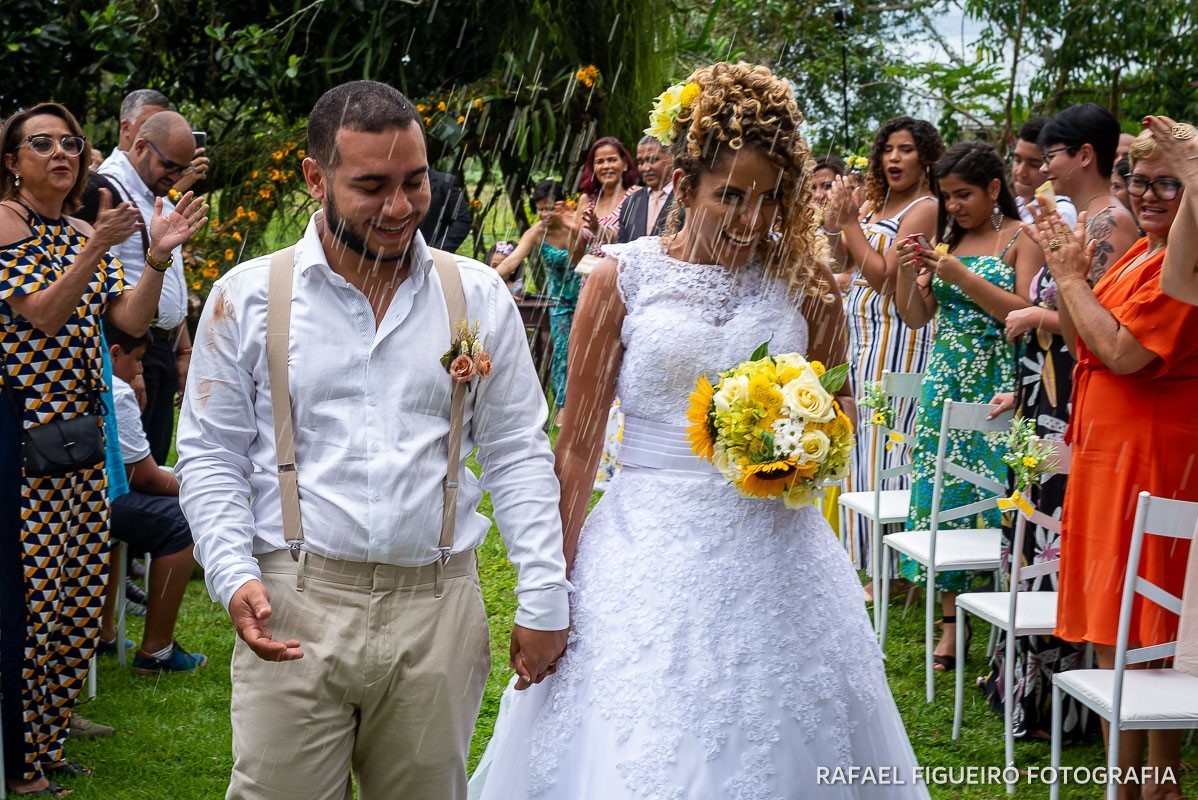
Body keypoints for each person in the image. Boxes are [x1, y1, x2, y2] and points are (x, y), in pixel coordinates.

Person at [470, 61, 928, 799]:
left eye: (771, 198)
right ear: (683, 188)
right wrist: (545, 592)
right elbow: (580, 444)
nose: (752, 221)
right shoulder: (619, 281)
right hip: (646, 548)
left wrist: (797, 437)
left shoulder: (806, 286)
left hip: (778, 553)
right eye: (730, 197)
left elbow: (843, 410)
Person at [175, 80, 570, 800]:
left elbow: (516, 449)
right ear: (314, 178)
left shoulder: (476, 295)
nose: (399, 207)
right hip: (294, 598)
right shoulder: (249, 297)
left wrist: (543, 595)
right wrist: (233, 574)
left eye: (414, 181)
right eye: (372, 186)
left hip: (438, 606)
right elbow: (211, 453)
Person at [0, 102, 206, 798]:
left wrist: (155, 256)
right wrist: (95, 249)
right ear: (11, 160)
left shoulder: (85, 228)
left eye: (70, 142)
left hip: (86, 448)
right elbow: (45, 313)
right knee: (30, 606)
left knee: (79, 600)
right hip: (25, 445)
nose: (61, 152)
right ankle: (20, 767)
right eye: (42, 143)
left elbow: (129, 320)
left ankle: (49, 744)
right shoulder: (5, 224)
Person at [1029, 126, 1198, 800]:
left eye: (1168, 183)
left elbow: (1128, 355)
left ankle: (1152, 780)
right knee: (1112, 613)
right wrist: (1070, 276)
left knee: (1147, 615)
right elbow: (1082, 342)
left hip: (1153, 454)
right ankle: (1127, 781)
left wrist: (1072, 279)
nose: (1149, 195)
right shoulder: (1137, 256)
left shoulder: (1181, 269)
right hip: (1105, 452)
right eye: (1139, 180)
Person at [894, 141, 1042, 672]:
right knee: (946, 493)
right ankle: (950, 627)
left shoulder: (1023, 238)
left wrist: (962, 277)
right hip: (944, 380)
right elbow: (915, 317)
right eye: (947, 196)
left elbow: (1027, 311)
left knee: (996, 495)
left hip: (997, 379)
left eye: (964, 195)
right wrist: (912, 275)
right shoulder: (949, 240)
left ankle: (1007, 624)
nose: (953, 206)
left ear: (994, 189)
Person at [823, 116, 943, 602]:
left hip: (899, 335)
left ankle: (892, 570)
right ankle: (865, 559)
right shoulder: (874, 203)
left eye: (907, 149)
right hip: (861, 331)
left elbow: (884, 279)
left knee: (889, 445)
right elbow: (845, 264)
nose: (894, 158)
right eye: (888, 149)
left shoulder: (925, 208)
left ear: (926, 157)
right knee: (861, 443)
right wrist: (838, 222)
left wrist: (852, 223)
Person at [100, 319, 208, 674]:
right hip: (99, 504)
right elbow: (142, 477)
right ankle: (156, 650)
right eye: (139, 360)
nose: (141, 369)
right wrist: (198, 487)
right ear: (114, 353)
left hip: (78, 498)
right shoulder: (115, 392)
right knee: (181, 523)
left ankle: (104, 633)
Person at [98, 109, 200, 464]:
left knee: (154, 457)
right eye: (170, 166)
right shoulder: (106, 190)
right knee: (135, 472)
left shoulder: (154, 194)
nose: (175, 177)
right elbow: (102, 286)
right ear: (140, 145)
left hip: (159, 347)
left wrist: (183, 350)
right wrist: (130, 364)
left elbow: (172, 279)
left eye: (182, 170)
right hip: (128, 352)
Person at [496, 179, 581, 410]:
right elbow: (513, 259)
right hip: (559, 299)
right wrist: (491, 277)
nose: (545, 213)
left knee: (585, 352)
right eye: (541, 208)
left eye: (550, 206)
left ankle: (586, 404)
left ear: (562, 205)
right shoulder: (535, 233)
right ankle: (563, 406)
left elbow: (584, 255)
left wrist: (571, 225)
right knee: (562, 350)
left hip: (586, 295)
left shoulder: (577, 224)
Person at [1039, 103, 1139, 283]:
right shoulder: (1087, 218)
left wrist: (1040, 313)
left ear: (1085, 155)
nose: (1043, 169)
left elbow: (1099, 309)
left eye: (1050, 157)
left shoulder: (1110, 222)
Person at [1010, 116, 1078, 228]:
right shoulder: (1014, 205)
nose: (1021, 172)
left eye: (1034, 164)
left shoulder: (1060, 213)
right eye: (1017, 160)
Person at [575, 136, 637, 255]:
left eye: (612, 160)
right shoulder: (586, 199)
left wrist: (600, 231)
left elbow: (635, 244)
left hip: (620, 271)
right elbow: (576, 254)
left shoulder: (635, 195)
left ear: (625, 165)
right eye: (599, 162)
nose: (606, 166)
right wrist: (570, 229)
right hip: (589, 272)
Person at [615, 135, 677, 242]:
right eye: (640, 162)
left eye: (652, 160)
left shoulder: (685, 197)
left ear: (671, 158)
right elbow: (621, 248)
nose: (645, 168)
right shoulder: (631, 203)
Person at [419, 168, 473, 251]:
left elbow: (462, 220)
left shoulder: (445, 182)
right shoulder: (394, 182)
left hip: (434, 254)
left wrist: (438, 250)